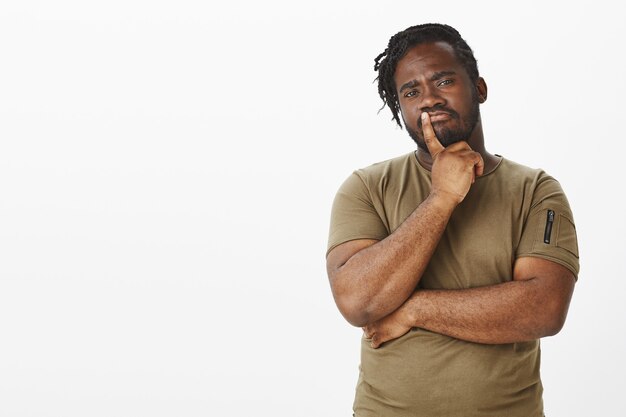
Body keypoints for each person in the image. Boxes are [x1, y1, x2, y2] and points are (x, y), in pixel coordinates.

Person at [325, 23, 579, 417]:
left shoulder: (536, 190)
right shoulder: (366, 187)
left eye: (443, 80)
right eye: (411, 91)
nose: (429, 99)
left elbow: (544, 307)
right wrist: (441, 198)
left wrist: (414, 310)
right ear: (399, 110)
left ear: (479, 88)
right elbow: (358, 301)